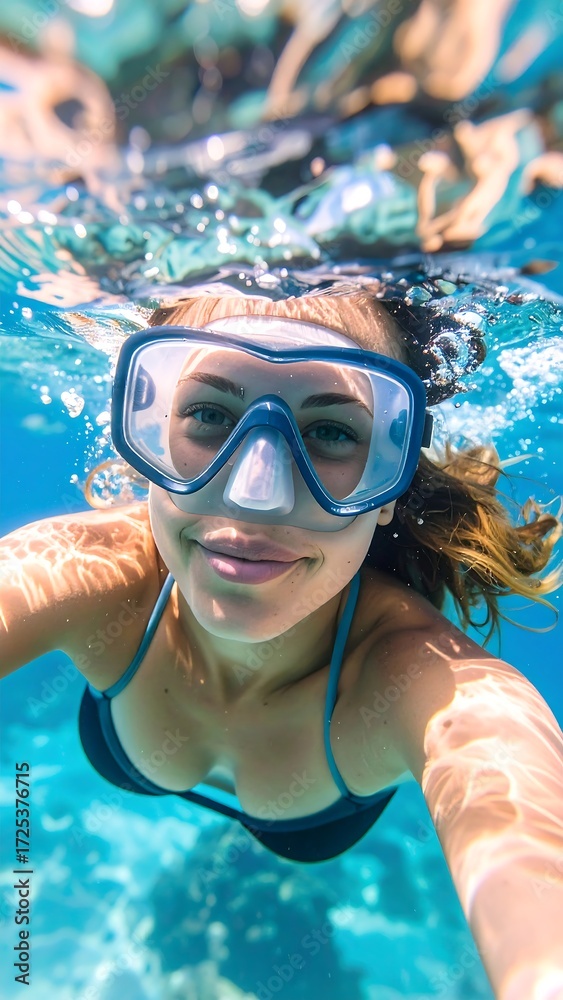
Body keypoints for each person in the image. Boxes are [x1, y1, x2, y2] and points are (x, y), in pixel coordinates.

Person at [2, 277, 563, 999]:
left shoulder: (425, 682)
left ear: (388, 485)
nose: (254, 494)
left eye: (331, 433)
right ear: (149, 436)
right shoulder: (84, 574)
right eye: (208, 414)